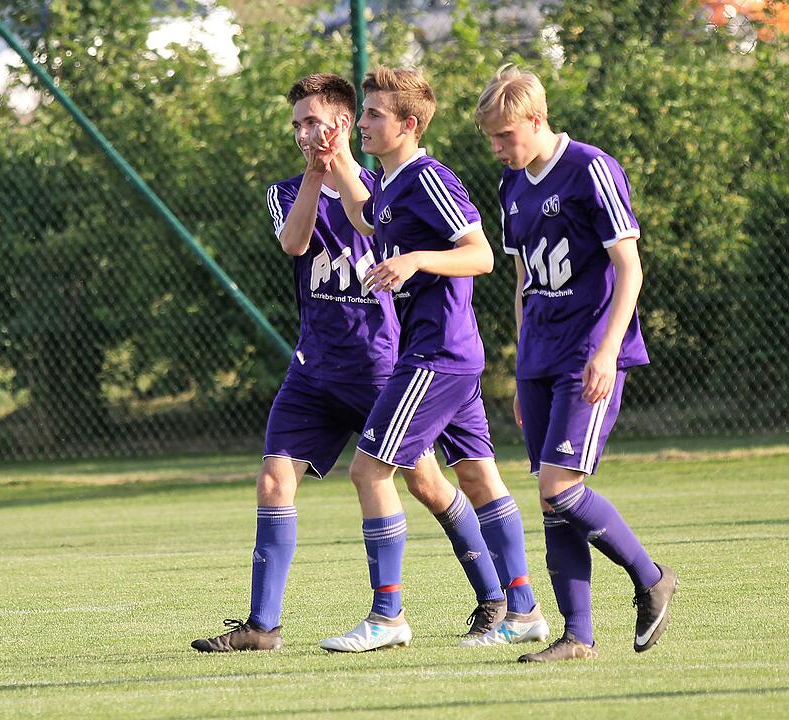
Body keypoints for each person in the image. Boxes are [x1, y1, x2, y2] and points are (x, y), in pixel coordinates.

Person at [191, 73, 509, 653]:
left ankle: (493, 596)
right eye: (297, 125)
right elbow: (294, 242)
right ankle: (264, 627)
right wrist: (316, 174)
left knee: (429, 485)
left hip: (382, 367)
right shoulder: (288, 191)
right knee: (272, 481)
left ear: (344, 123)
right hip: (313, 369)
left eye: (316, 122)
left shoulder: (382, 192)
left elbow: (430, 240)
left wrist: (351, 182)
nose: (304, 133)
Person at [314, 66, 548, 653]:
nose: (363, 122)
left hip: (435, 354)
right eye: (362, 114)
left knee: (369, 471)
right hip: (449, 353)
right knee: (474, 475)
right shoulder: (392, 185)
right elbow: (369, 216)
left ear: (408, 125)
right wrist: (338, 157)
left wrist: (416, 260)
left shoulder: (429, 177)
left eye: (372, 115)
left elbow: (481, 255)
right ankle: (524, 610)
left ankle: (387, 616)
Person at [474, 64, 678, 663]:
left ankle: (650, 576)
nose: (499, 149)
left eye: (505, 137)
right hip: (540, 359)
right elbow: (520, 281)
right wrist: (519, 365)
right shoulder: (513, 186)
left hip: (586, 355)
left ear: (536, 120)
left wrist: (608, 352)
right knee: (548, 495)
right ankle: (578, 636)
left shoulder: (590, 168)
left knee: (561, 487)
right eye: (491, 139)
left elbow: (629, 268)